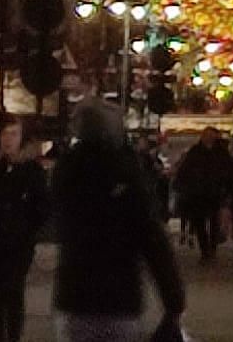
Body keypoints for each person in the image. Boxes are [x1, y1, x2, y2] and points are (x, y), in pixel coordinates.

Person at [52, 100, 184, 342]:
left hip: (74, 295)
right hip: (119, 297)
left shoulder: (67, 170)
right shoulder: (127, 173)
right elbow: (152, 239)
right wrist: (173, 298)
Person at [0, 116, 49, 342]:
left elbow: (42, 205)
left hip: (19, 241)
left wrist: (27, 228)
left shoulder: (31, 169)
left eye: (14, 134)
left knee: (14, 290)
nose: (8, 139)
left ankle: (14, 335)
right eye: (5, 134)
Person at [173, 126, 231, 261]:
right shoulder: (195, 151)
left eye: (211, 135)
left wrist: (224, 187)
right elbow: (185, 169)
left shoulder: (221, 153)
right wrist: (183, 185)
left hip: (214, 192)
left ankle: (212, 248)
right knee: (199, 222)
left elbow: (227, 170)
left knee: (214, 222)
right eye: (206, 135)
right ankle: (205, 250)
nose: (208, 138)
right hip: (198, 193)